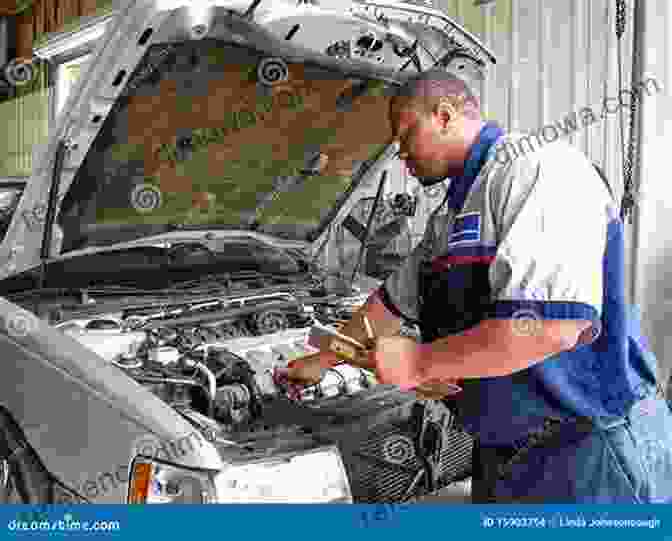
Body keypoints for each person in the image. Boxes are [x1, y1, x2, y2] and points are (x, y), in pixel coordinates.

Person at [290, 69, 672, 503]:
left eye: (405, 135)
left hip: (589, 453)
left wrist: (420, 361)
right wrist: (324, 358)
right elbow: (391, 303)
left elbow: (551, 328)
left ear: (445, 115)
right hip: (504, 457)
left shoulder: (535, 169)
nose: (400, 154)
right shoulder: (449, 218)